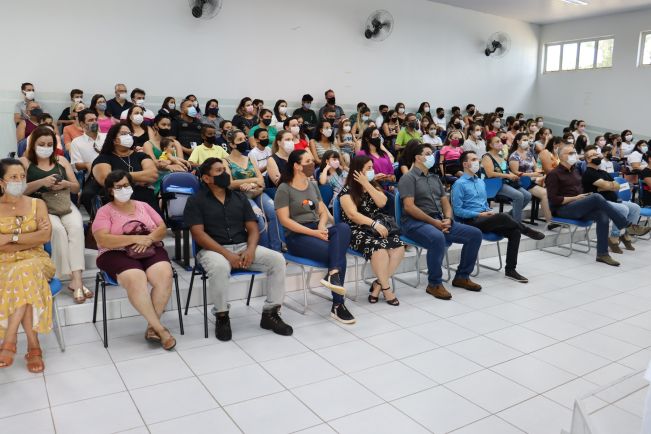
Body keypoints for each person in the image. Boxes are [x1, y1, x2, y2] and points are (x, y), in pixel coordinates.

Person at [184, 158, 293, 340]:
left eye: (225, 169)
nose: (225, 174)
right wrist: (227, 254)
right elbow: (198, 235)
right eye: (219, 171)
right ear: (206, 178)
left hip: (242, 247)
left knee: (277, 260)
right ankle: (222, 316)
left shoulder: (239, 198)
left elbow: (253, 228)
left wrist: (250, 250)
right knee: (220, 266)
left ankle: (270, 314)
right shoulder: (196, 201)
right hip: (212, 250)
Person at [92, 170, 176, 349]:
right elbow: (102, 239)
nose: (123, 189)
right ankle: (160, 329)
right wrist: (135, 239)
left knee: (164, 275)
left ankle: (152, 327)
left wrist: (148, 239)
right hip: (115, 252)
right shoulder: (104, 211)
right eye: (118, 187)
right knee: (136, 278)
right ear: (110, 190)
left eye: (126, 185)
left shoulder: (143, 205)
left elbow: (162, 228)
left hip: (149, 247)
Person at [275, 150, 355, 323]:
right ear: (297, 166)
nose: (313, 164)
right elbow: (284, 221)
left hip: (316, 228)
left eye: (312, 160)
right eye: (308, 161)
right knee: (338, 253)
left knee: (343, 228)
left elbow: (322, 211)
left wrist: (321, 226)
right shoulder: (284, 188)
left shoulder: (312, 185)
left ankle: (332, 274)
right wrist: (314, 233)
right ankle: (338, 305)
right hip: (297, 236)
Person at [399, 143, 483, 300]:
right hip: (414, 223)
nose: (432, 156)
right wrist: (434, 223)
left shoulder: (435, 178)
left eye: (432, 153)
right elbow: (409, 207)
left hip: (438, 220)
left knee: (475, 234)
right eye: (427, 153)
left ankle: (462, 276)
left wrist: (448, 219)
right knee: (437, 237)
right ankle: (434, 283)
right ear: (418, 157)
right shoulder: (408, 178)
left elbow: (445, 202)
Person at [452, 151, 544, 283]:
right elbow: (457, 211)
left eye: (477, 159)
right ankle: (527, 230)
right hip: (471, 220)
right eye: (473, 159)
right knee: (503, 216)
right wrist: (479, 214)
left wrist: (488, 211)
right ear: (465, 164)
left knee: (514, 232)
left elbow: (484, 204)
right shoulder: (459, 184)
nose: (477, 162)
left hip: (485, 218)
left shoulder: (480, 182)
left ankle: (510, 270)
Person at [21, 126, 88, 302]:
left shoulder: (61, 160)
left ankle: (77, 279)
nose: (46, 147)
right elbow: (20, 191)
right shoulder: (24, 162)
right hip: (40, 205)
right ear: (33, 144)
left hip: (63, 203)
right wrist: (42, 182)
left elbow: (76, 188)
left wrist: (66, 184)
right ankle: (67, 275)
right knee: (57, 230)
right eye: (41, 144)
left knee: (76, 227)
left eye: (49, 144)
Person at [0, 158, 54, 373]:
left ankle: (9, 340)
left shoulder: (37, 204)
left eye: (22, 176)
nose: (19, 181)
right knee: (25, 277)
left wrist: (9, 238)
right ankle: (33, 346)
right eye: (13, 177)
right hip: (3, 264)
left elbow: (45, 236)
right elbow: (37, 235)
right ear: (1, 182)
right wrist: (30, 236)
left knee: (25, 270)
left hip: (37, 259)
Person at [546, 144, 631, 266]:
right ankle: (624, 223)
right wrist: (576, 198)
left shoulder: (575, 171)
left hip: (577, 206)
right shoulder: (554, 174)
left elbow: (581, 191)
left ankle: (602, 254)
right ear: (562, 156)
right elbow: (553, 199)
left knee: (602, 214)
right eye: (570, 153)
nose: (574, 155)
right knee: (596, 197)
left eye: (574, 153)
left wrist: (584, 198)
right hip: (562, 209)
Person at [340, 155, 404, 305]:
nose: (372, 171)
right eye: (368, 168)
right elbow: (353, 215)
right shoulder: (347, 191)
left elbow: (382, 202)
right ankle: (386, 290)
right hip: (357, 230)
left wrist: (366, 184)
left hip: (377, 228)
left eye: (372, 168)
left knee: (398, 247)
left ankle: (378, 285)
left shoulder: (372, 185)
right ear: (357, 171)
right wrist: (374, 224)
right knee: (379, 250)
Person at [581, 146, 650, 253]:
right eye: (594, 155)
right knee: (623, 209)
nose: (597, 156)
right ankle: (614, 237)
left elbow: (617, 186)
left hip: (614, 200)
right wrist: (608, 186)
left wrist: (604, 186)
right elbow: (608, 186)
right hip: (601, 203)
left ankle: (626, 235)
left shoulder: (603, 172)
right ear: (588, 159)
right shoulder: (589, 173)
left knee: (635, 207)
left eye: (597, 154)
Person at [225, 129, 281, 251]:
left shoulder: (249, 158)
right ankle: (264, 250)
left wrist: (251, 183)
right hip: (240, 196)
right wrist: (253, 180)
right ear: (232, 144)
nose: (244, 142)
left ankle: (276, 249)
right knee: (258, 217)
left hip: (256, 192)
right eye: (239, 140)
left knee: (274, 211)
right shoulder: (225, 161)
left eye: (244, 139)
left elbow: (261, 181)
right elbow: (230, 184)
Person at [91, 123, 159, 212]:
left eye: (130, 134)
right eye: (123, 134)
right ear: (114, 140)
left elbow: (153, 175)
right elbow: (106, 180)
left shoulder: (141, 156)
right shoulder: (103, 158)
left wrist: (118, 176)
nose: (128, 136)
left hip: (145, 199)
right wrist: (139, 178)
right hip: (117, 200)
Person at [482, 133, 532, 222]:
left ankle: (509, 216)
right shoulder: (487, 156)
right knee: (519, 196)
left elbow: (506, 170)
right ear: (490, 145)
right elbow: (490, 174)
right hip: (494, 183)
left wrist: (514, 175)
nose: (500, 143)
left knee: (528, 196)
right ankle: (517, 223)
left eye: (500, 141)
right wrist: (508, 176)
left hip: (506, 181)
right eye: (497, 142)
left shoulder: (500, 155)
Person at [507, 134, 552, 224]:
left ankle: (557, 218)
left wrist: (538, 172)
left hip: (533, 179)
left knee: (553, 189)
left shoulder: (529, 153)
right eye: (524, 140)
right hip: (522, 181)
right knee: (545, 193)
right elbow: (515, 173)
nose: (526, 142)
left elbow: (535, 167)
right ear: (518, 141)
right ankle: (550, 222)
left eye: (527, 140)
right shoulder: (514, 156)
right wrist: (532, 174)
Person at [70, 109, 105, 176]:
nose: (95, 122)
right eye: (91, 120)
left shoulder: (106, 137)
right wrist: (87, 164)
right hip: (91, 176)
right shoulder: (76, 142)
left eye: (96, 119)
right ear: (82, 124)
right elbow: (76, 165)